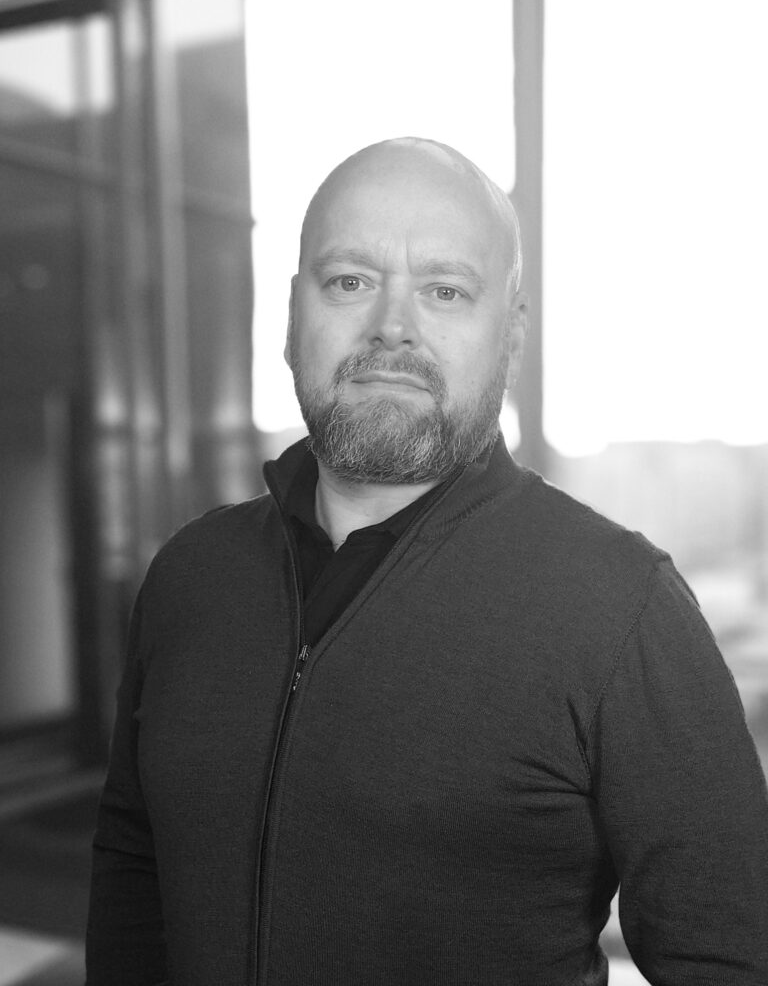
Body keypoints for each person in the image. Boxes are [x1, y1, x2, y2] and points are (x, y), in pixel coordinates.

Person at [86, 138, 768, 986]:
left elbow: (730, 961)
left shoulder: (619, 606)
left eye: (445, 291)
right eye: (350, 281)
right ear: (292, 317)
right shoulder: (191, 576)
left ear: (511, 335)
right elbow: (132, 870)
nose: (392, 327)